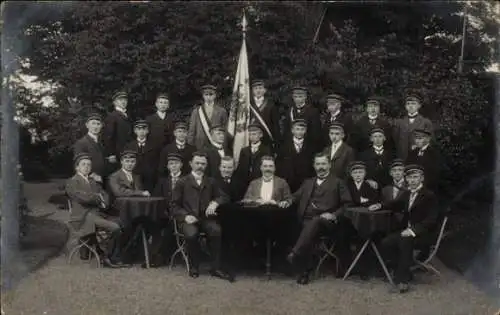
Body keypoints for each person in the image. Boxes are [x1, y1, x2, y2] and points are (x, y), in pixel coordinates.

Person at [285, 153, 353, 284]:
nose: (320, 167)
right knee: (306, 228)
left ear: (329, 165)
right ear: (314, 166)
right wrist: (287, 201)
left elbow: (347, 204)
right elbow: (295, 196)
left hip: (327, 222)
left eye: (323, 164)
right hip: (306, 219)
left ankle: (297, 257)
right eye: (318, 164)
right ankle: (302, 267)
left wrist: (334, 215)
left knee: (314, 223)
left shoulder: (338, 182)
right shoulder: (308, 182)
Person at [171, 152, 234, 281]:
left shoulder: (211, 181)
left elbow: (224, 196)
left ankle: (215, 268)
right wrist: (185, 216)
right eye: (197, 163)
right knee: (191, 234)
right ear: (191, 164)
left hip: (206, 219)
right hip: (188, 220)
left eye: (203, 164)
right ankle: (194, 266)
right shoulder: (182, 182)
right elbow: (173, 205)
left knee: (216, 230)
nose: (200, 166)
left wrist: (215, 202)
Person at [65, 153, 130, 268]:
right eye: (83, 164)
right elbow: (83, 198)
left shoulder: (93, 181)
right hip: (83, 217)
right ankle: (108, 258)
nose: (86, 167)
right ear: (77, 167)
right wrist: (97, 197)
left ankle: (109, 253)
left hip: (96, 214)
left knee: (122, 222)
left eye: (89, 165)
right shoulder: (72, 181)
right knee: (114, 228)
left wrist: (99, 197)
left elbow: (105, 196)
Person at [381, 164, 439, 293]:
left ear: (421, 178)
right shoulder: (407, 193)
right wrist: (379, 205)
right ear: (406, 179)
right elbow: (394, 205)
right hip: (406, 232)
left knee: (404, 241)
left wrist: (413, 230)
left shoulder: (429, 195)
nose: (412, 180)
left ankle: (402, 281)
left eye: (415, 177)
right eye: (409, 178)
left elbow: (431, 220)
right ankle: (403, 271)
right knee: (386, 242)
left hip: (423, 234)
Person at [149, 153, 184, 267]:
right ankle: (153, 255)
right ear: (168, 166)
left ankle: (161, 256)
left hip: (180, 213)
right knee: (155, 225)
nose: (173, 166)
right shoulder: (163, 181)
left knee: (170, 228)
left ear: (181, 165)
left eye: (176, 163)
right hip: (165, 213)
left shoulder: (186, 180)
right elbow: (157, 198)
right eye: (171, 164)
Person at [276, 119, 315, 193]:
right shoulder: (284, 145)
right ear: (292, 130)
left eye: (302, 129)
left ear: (306, 130)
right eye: (297, 129)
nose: (300, 132)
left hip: (305, 182)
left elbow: (312, 166)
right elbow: (279, 165)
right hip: (288, 181)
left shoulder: (311, 146)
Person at [393, 93, 433, 160]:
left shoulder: (426, 122)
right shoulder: (399, 123)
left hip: (419, 158)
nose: (410, 106)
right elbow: (395, 141)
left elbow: (430, 143)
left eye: (413, 103)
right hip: (403, 158)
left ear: (419, 106)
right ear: (405, 106)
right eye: (408, 104)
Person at [282, 86, 322, 153]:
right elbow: (286, 130)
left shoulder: (313, 111)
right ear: (293, 97)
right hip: (292, 145)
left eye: (300, 96)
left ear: (305, 97)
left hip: (308, 146)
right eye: (295, 97)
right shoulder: (289, 111)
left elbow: (315, 132)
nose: (298, 99)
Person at [187, 85, 228, 150]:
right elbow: (192, 130)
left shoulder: (222, 111)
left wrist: (224, 145)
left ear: (215, 96)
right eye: (206, 94)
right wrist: (190, 146)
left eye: (211, 94)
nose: (208, 97)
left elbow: (225, 129)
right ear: (203, 96)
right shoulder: (197, 111)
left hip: (216, 144)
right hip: (200, 144)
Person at [102, 90, 133, 173]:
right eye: (120, 100)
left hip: (127, 152)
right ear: (115, 102)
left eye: (125, 100)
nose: (123, 101)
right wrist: (110, 154)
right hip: (117, 154)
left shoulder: (127, 115)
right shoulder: (112, 116)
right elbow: (108, 136)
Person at [124, 119, 158, 192]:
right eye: (139, 129)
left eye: (144, 129)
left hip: (150, 178)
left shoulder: (154, 145)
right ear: (135, 131)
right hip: (134, 178)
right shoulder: (129, 146)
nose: (141, 132)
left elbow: (157, 162)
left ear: (147, 131)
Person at [406, 127, 443, 193]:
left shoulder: (434, 153)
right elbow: (407, 169)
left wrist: (421, 186)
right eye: (416, 138)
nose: (417, 141)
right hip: (412, 187)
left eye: (420, 138)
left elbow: (435, 174)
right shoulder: (412, 153)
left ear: (428, 139)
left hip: (428, 189)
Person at [73, 113, 107, 183]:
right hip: (89, 179)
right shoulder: (81, 143)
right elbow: (79, 164)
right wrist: (92, 175)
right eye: (93, 123)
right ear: (87, 125)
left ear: (101, 126)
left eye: (98, 124)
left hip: (103, 178)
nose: (96, 126)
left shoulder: (102, 142)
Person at [248, 79, 281, 150]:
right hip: (252, 139)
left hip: (267, 139)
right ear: (252, 91)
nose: (258, 91)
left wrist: (277, 142)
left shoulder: (271, 105)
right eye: (255, 88)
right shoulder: (248, 105)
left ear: (264, 90)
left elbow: (275, 125)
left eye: (260, 88)